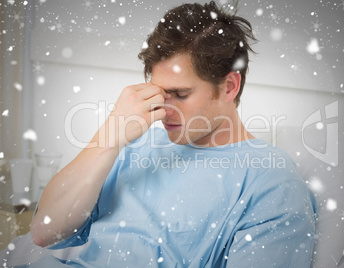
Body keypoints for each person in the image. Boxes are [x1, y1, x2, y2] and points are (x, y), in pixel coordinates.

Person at [28, 1, 316, 267]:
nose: (164, 110)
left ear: (230, 86)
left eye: (180, 94)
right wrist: (110, 135)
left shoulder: (272, 181)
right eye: (158, 93)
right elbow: (43, 232)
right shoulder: (134, 144)